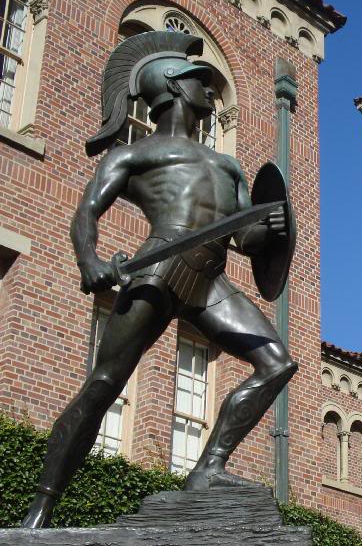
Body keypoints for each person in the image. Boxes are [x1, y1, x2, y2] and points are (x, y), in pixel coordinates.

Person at [22, 31, 296, 528]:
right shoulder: (135, 154)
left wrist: (270, 230)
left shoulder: (227, 165)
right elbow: (87, 212)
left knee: (277, 364)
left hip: (212, 277)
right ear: (172, 85)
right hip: (158, 269)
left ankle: (208, 469)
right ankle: (41, 506)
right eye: (201, 82)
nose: (211, 93)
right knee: (103, 384)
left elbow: (244, 240)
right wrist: (90, 261)